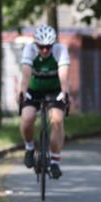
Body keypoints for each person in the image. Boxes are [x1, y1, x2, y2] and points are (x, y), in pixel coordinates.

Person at [19, 25, 71, 179]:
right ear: (36, 45)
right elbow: (26, 74)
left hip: (55, 90)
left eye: (48, 47)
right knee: (27, 118)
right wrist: (22, 92)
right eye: (41, 47)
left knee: (57, 120)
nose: (45, 51)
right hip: (34, 90)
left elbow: (64, 75)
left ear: (53, 44)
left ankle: (55, 160)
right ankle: (29, 148)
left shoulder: (60, 50)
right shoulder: (29, 50)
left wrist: (66, 93)